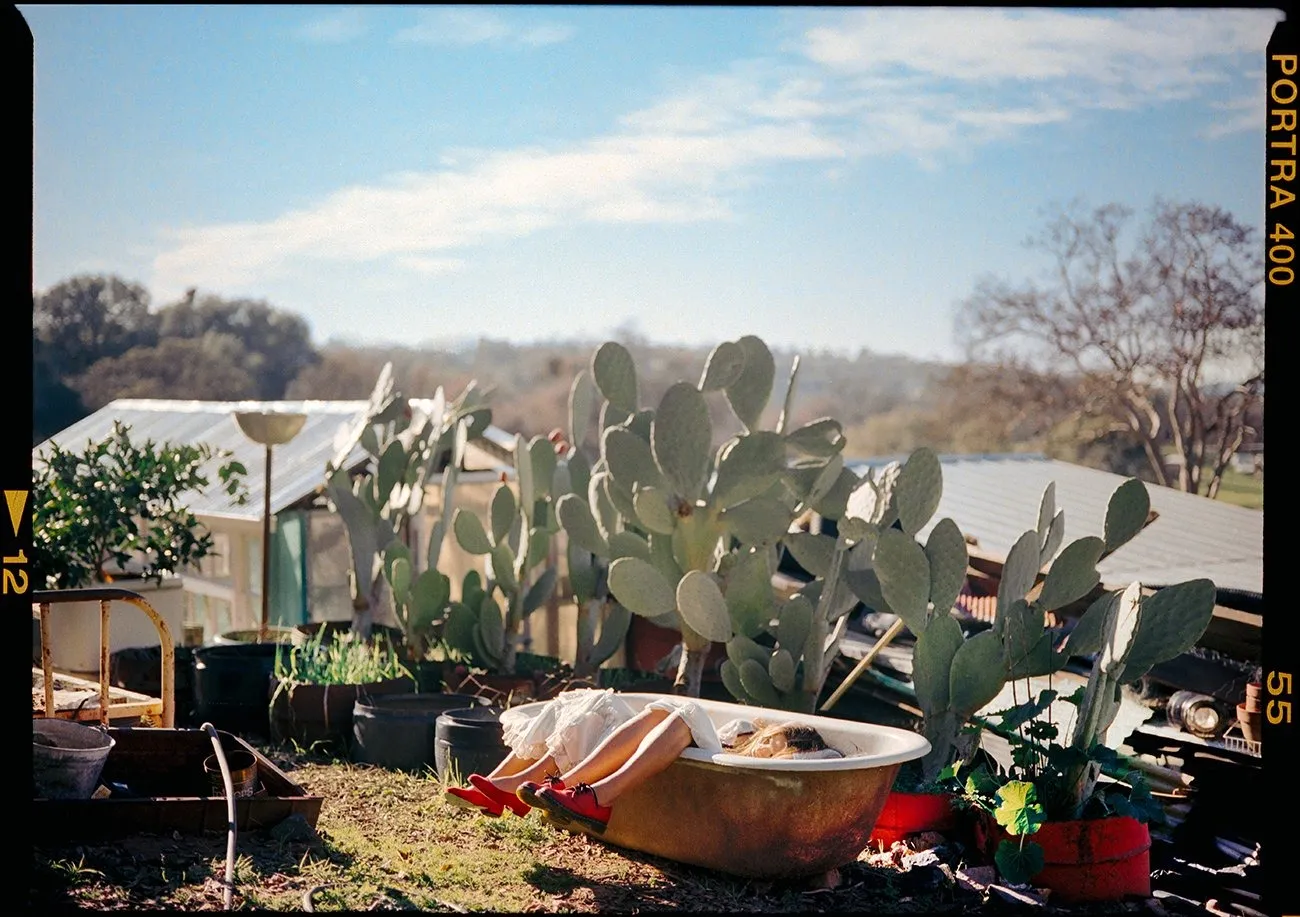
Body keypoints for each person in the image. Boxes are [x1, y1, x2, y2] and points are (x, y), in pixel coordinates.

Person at [444, 688, 841, 834]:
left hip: (689, 748)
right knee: (590, 703)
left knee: (681, 712)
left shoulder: (733, 748)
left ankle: (586, 793)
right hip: (665, 750)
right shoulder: (741, 730)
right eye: (767, 746)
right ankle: (509, 786)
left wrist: (795, 750)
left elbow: (832, 759)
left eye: (773, 755)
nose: (761, 752)